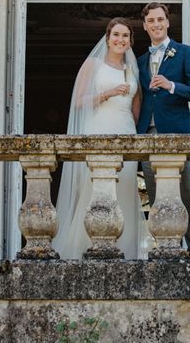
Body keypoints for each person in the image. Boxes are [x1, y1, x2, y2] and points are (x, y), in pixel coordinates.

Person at [54, 17, 144, 259]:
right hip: (99, 128)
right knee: (96, 189)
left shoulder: (132, 69)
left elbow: (137, 107)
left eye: (125, 35)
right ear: (107, 38)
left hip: (126, 130)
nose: (120, 39)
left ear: (130, 41)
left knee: (125, 187)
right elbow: (79, 101)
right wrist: (108, 93)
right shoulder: (93, 65)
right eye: (116, 34)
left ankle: (127, 250)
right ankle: (83, 249)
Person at [137, 2, 190, 259]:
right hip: (148, 136)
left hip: (178, 134)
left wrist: (171, 85)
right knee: (156, 199)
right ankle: (167, 250)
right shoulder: (141, 60)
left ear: (168, 22)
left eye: (160, 19)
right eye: (151, 21)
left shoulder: (186, 53)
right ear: (145, 26)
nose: (156, 24)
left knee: (188, 195)